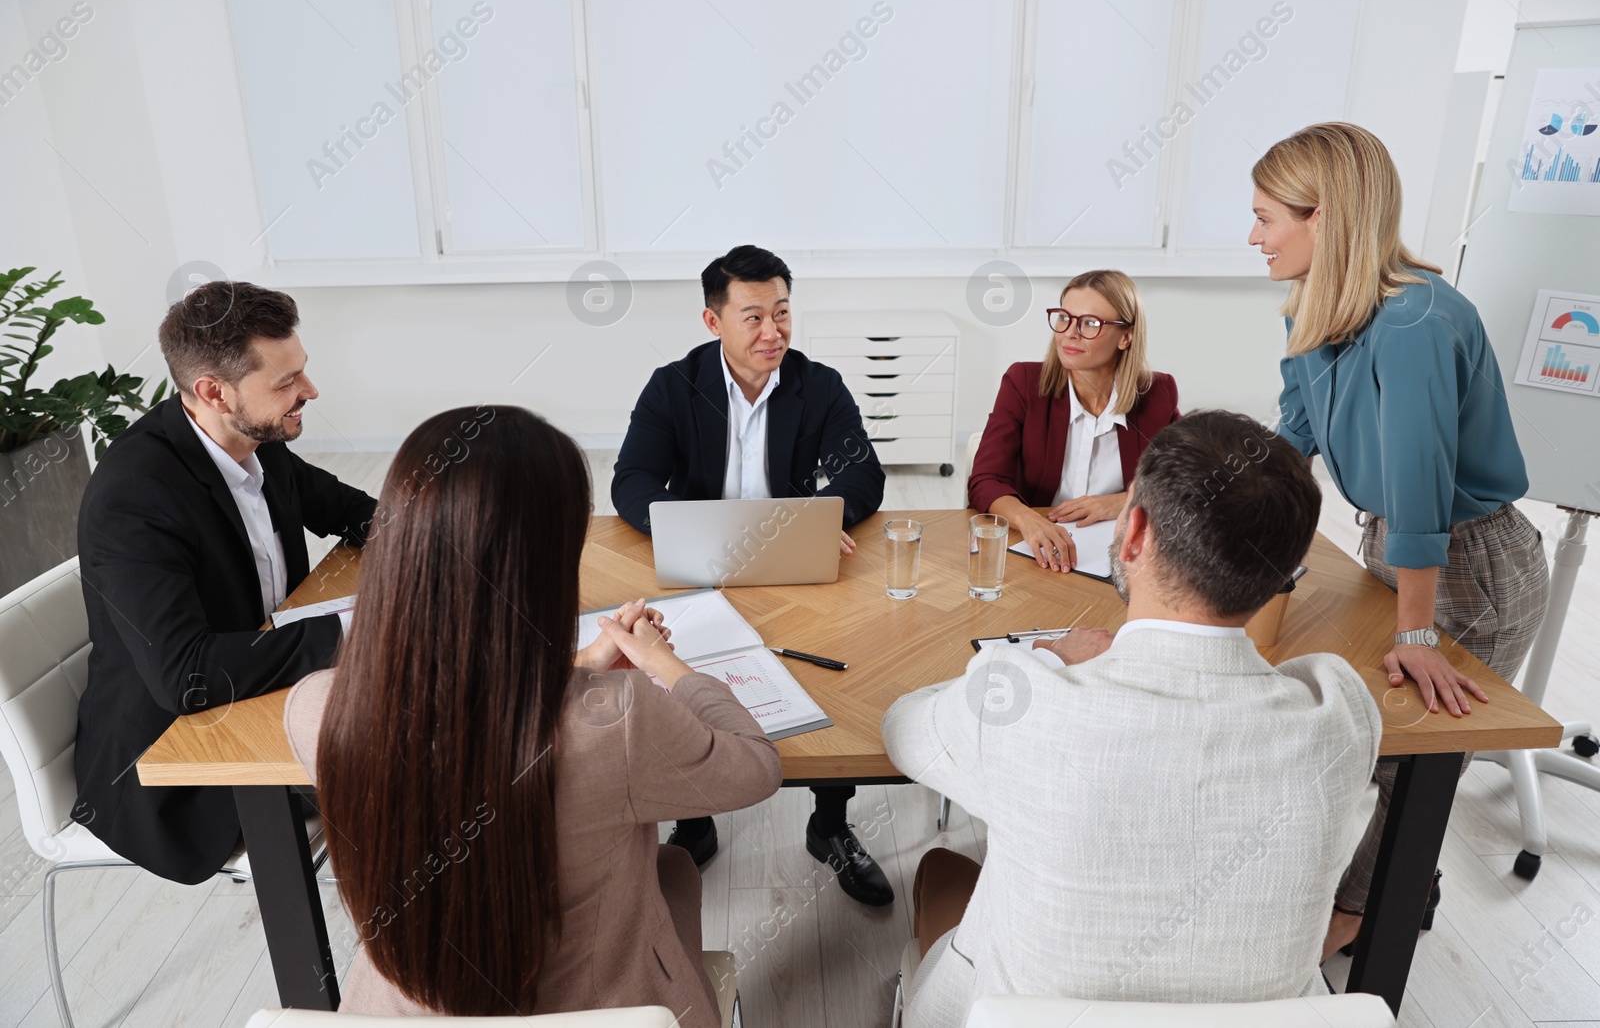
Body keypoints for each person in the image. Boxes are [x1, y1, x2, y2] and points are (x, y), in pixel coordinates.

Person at [285, 406, 782, 1021]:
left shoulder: (316, 708)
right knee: (674, 866)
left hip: (397, 1014)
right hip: (605, 1009)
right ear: (543, 566)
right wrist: (667, 667)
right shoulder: (620, 721)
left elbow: (467, 712)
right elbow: (754, 767)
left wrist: (578, 668)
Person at [885, 411, 1380, 1028]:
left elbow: (903, 730)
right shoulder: (1340, 714)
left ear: (1135, 532)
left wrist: (1038, 658)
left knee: (939, 868)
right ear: (1285, 571)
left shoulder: (1025, 704)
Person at [1249, 122, 1550, 960]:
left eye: (1267, 216)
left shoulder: (1416, 320)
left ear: (1324, 217)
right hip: (1393, 544)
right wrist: (1235, 539)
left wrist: (1417, 632)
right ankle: (1398, 884)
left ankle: (1367, 915)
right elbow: (1292, 442)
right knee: (1363, 738)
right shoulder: (1315, 309)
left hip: (1470, 560)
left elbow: (1420, 487)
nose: (1254, 236)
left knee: (1405, 759)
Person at [612, 244, 893, 906]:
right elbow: (633, 479)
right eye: (754, 317)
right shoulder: (672, 385)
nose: (774, 332)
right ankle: (695, 818)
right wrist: (696, 527)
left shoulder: (816, 384)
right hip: (702, 569)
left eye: (783, 313)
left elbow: (863, 472)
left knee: (830, 673)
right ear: (713, 321)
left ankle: (830, 826)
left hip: (794, 563)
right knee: (681, 677)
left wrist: (826, 515)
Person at [73, 281, 376, 884]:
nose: (308, 392)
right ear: (214, 391)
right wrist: (357, 627)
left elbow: (354, 512)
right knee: (426, 758)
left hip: (262, 688)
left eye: (302, 372)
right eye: (286, 382)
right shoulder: (134, 498)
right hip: (182, 763)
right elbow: (188, 678)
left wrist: (446, 541)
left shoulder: (251, 438)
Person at [968, 269, 1179, 572]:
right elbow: (985, 480)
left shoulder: (1157, 393)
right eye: (1064, 317)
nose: (1070, 332)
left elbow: (1188, 482)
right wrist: (1029, 520)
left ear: (1126, 336)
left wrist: (1122, 501)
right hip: (1032, 556)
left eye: (1090, 323)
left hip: (1116, 562)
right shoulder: (1023, 383)